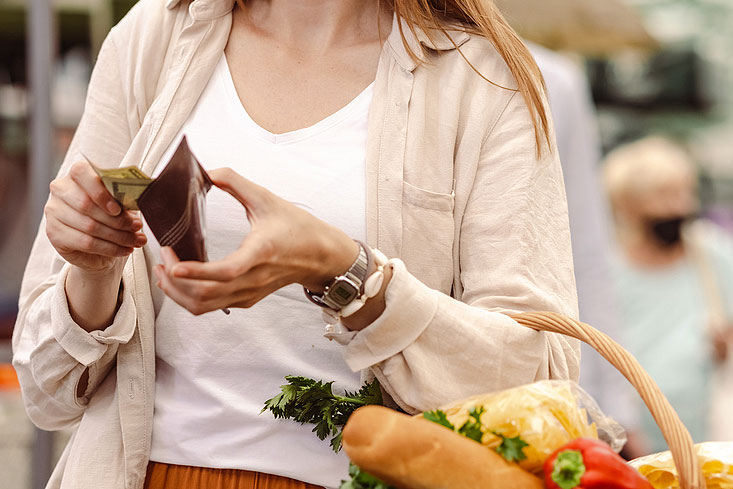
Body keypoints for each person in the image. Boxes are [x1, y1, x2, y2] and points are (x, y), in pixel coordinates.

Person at [12, 1, 579, 488]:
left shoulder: (483, 80)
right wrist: (93, 265)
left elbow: (541, 382)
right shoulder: (156, 36)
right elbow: (48, 391)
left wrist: (345, 273)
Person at [604, 136, 733, 455]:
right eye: (664, 195)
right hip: (626, 441)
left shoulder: (711, 254)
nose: (681, 206)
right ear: (628, 205)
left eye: (685, 192)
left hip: (705, 436)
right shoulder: (606, 271)